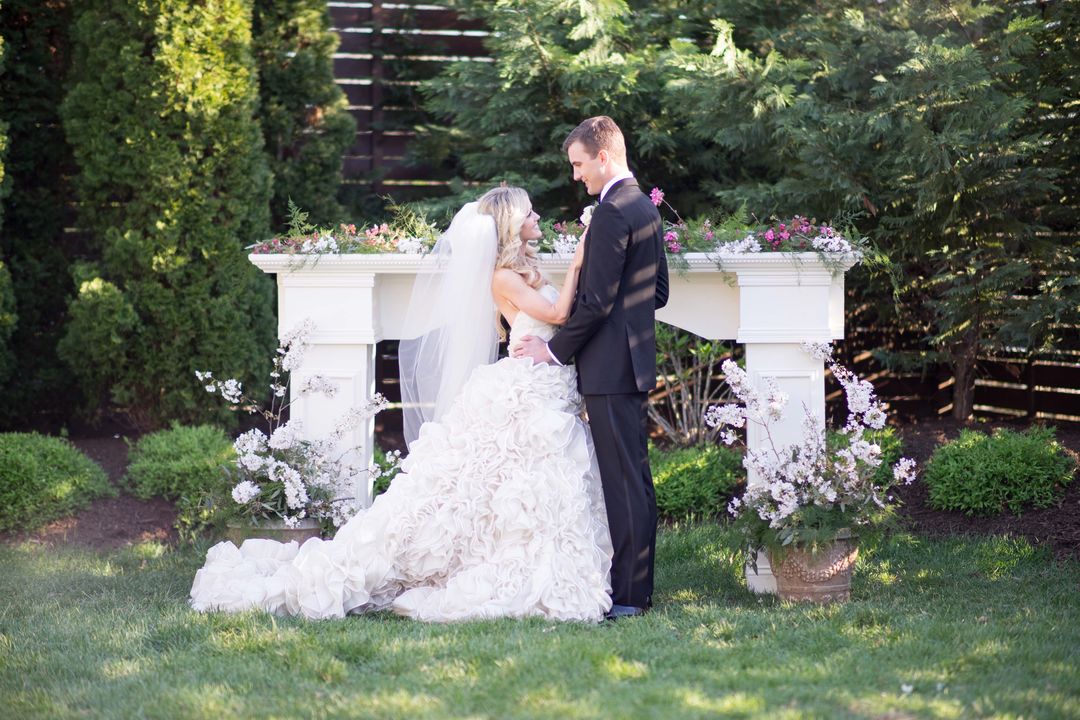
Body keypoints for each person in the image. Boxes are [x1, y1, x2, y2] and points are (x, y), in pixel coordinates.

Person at [190, 186, 615, 622]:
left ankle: (523, 552)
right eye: (530, 212)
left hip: (543, 385)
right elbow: (560, 316)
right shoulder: (502, 276)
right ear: (511, 224)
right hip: (523, 390)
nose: (537, 216)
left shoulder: (523, 268)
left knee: (519, 488)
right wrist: (581, 259)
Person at [514, 116, 669, 620]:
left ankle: (628, 597)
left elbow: (598, 301)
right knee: (634, 480)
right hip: (632, 362)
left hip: (608, 368)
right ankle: (636, 590)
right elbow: (658, 293)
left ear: (603, 156)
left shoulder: (609, 214)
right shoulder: (645, 207)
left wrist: (554, 351)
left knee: (623, 484)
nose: (576, 175)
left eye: (580, 165)